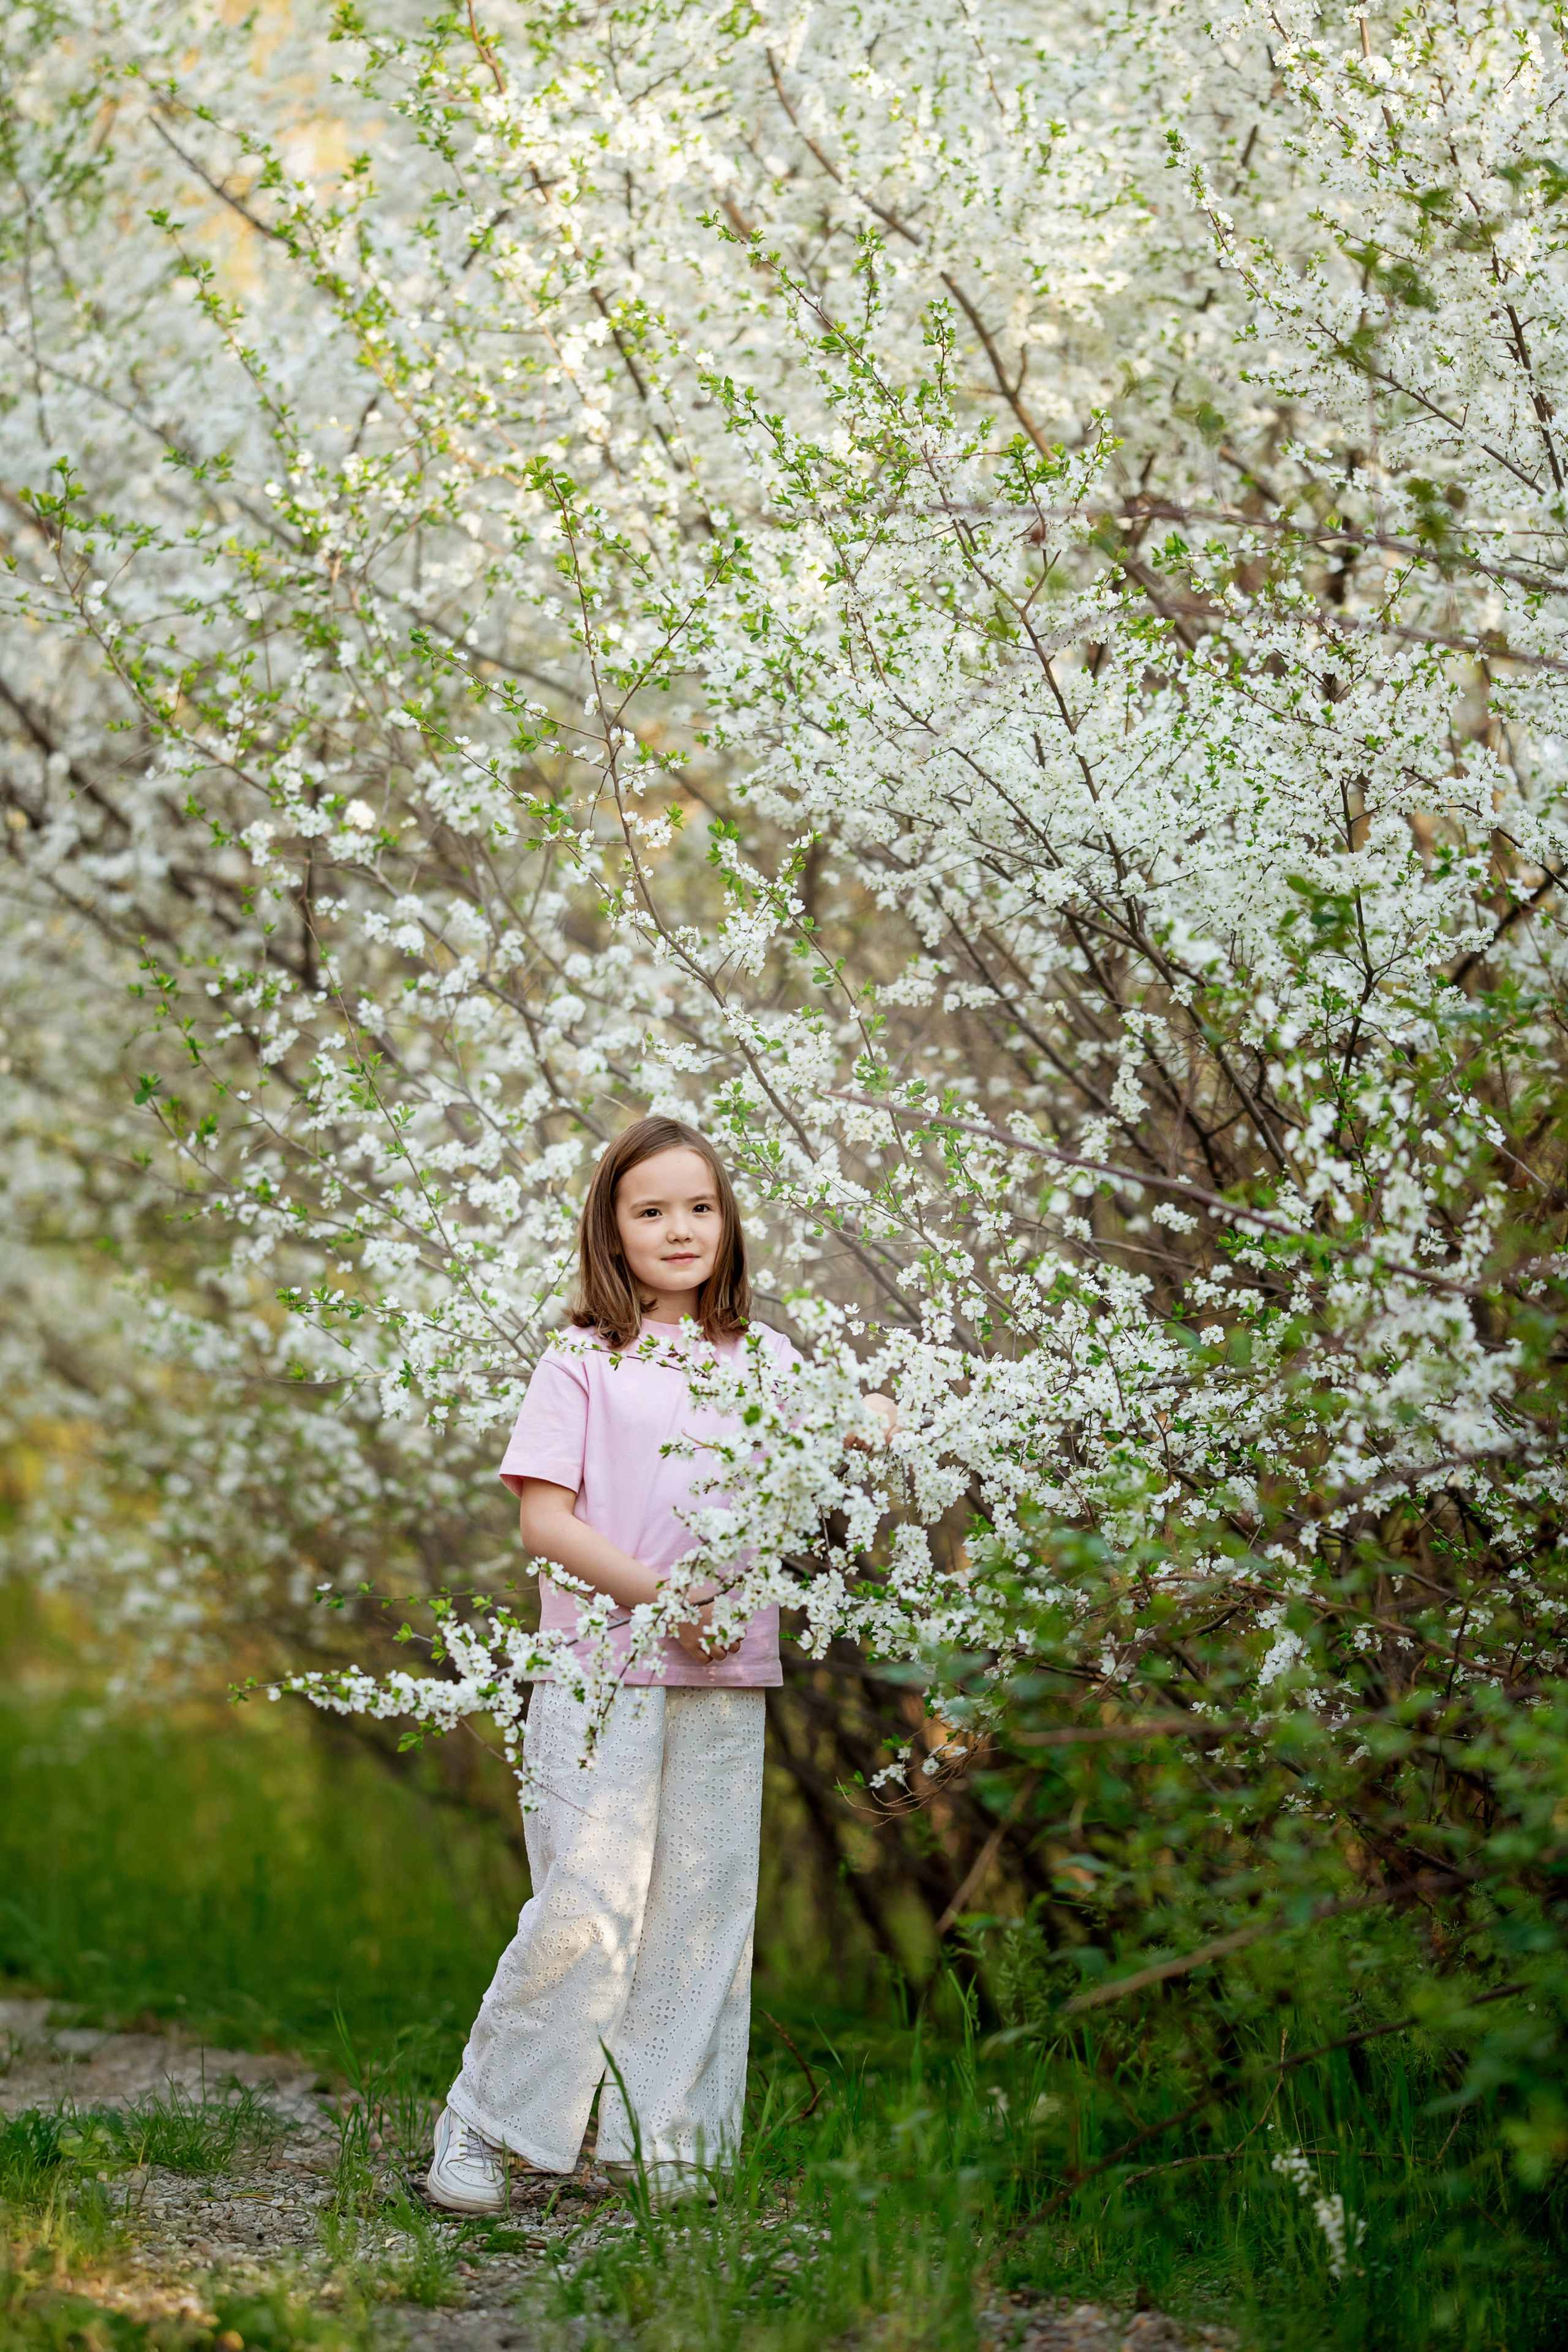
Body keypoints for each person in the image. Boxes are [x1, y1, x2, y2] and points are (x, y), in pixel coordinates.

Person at [424, 1115, 892, 2214]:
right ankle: (488, 2131)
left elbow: (833, 1430)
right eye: (651, 1211)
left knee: (702, 1908)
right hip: (602, 1671)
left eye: (700, 1207)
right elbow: (546, 1523)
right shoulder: (584, 1359)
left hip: (726, 1679)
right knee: (585, 1909)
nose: (679, 1230)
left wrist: (868, 1413)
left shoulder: (764, 1358)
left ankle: (663, 2142)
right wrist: (666, 1599)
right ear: (613, 1230)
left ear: (727, 1225)